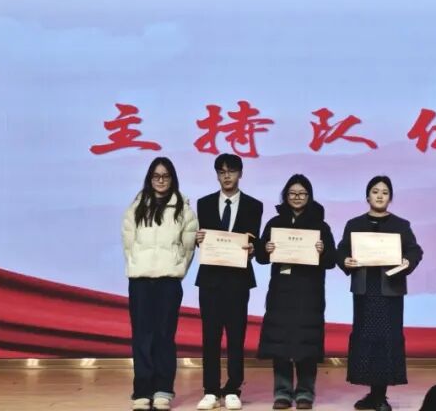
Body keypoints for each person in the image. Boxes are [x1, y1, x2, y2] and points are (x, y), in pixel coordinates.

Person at [337, 175, 423, 411]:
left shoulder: (401, 225)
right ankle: (373, 394)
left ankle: (380, 395)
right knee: (366, 339)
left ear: (390, 198)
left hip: (390, 291)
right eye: (375, 191)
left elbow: (415, 251)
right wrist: (345, 260)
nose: (379, 196)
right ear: (367, 196)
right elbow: (341, 250)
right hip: (365, 291)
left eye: (385, 192)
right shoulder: (354, 224)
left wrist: (407, 261)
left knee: (386, 340)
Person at [255, 174, 337, 410]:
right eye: (292, 193)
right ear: (285, 196)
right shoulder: (275, 223)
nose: (297, 197)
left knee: (306, 343)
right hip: (281, 291)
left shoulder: (321, 225)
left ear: (309, 196)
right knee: (280, 342)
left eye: (302, 193)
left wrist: (322, 250)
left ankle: (305, 393)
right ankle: (282, 392)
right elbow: (261, 257)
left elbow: (332, 260)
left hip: (309, 291)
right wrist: (266, 247)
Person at [122, 157, 197, 411]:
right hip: (140, 281)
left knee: (165, 336)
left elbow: (188, 248)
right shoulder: (136, 207)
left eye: (165, 176)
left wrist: (177, 268)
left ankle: (163, 389)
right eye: (156, 176)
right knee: (142, 336)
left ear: (172, 178)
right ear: (150, 178)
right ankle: (142, 390)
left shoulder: (184, 209)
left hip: (168, 282)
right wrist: (137, 265)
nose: (161, 180)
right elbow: (128, 243)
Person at [195, 153, 264, 411]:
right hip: (210, 280)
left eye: (231, 171)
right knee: (210, 337)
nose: (227, 176)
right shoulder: (203, 203)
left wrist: (254, 248)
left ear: (240, 174)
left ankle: (234, 388)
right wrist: (198, 239)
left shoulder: (254, 205)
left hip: (238, 280)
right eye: (222, 171)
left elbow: (254, 241)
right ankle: (211, 390)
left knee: (236, 336)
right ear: (216, 175)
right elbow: (202, 240)